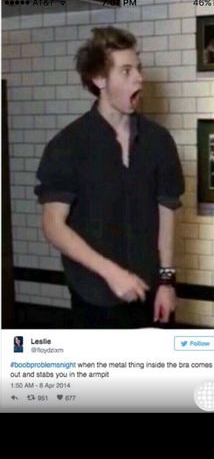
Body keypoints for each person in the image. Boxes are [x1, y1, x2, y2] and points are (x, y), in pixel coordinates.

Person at [34, 26, 185, 329]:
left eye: (138, 68)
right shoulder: (67, 145)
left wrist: (167, 282)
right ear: (99, 79)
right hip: (94, 299)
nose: (139, 78)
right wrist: (112, 273)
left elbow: (166, 215)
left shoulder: (160, 142)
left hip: (151, 295)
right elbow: (53, 226)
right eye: (126, 71)